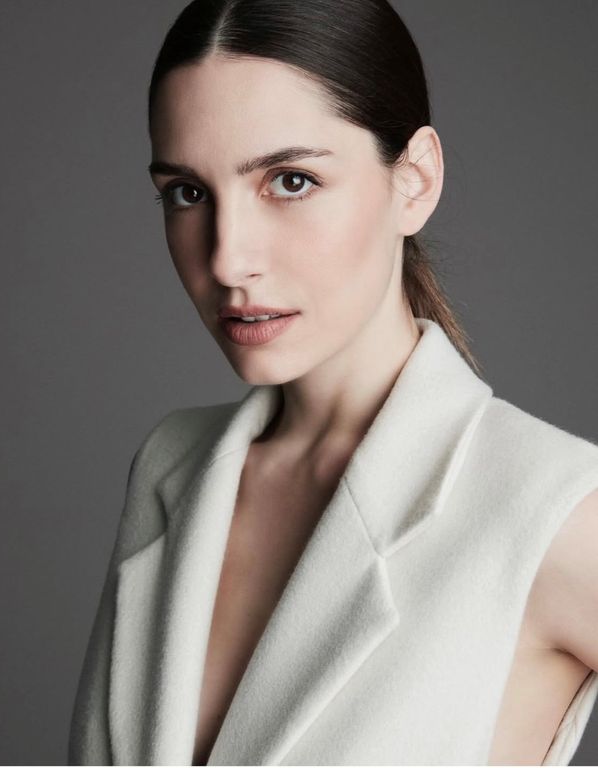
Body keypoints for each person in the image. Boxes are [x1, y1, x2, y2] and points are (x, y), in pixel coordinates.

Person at [68, 1, 598, 765]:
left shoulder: (553, 508)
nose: (227, 259)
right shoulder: (170, 466)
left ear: (414, 181)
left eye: (290, 180)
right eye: (187, 192)